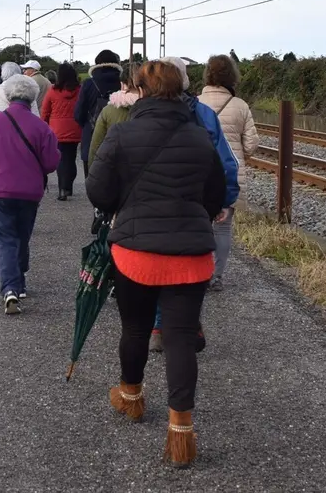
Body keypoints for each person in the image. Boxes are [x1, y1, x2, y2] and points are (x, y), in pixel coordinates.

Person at [85, 60, 225, 468]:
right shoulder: (199, 136)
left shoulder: (123, 133)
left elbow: (97, 190)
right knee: (180, 337)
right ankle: (181, 431)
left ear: (141, 91)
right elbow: (215, 196)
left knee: (135, 328)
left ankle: (131, 396)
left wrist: (124, 207)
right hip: (190, 256)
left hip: (136, 252)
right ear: (180, 90)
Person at [143, 56, 241, 353]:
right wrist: (225, 200)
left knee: (157, 261)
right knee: (191, 264)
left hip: (152, 201)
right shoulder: (204, 114)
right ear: (184, 80)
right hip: (196, 202)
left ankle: (158, 325)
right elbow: (225, 162)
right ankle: (188, 323)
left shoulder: (140, 111)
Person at [0, 75, 60, 314]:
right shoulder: (41, 126)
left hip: (0, 189)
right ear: (32, 97)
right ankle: (19, 281)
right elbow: (51, 163)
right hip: (30, 192)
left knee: (6, 239)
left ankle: (11, 288)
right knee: (22, 235)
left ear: (8, 95)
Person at [198, 54, 259, 289]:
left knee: (200, 222)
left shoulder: (196, 103)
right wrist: (239, 155)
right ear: (232, 76)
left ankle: (199, 272)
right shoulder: (240, 106)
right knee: (223, 227)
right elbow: (252, 143)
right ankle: (216, 276)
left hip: (200, 172)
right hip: (229, 175)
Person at [75, 50, 123, 178]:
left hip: (91, 133)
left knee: (92, 174)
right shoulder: (123, 82)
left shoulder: (89, 83)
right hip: (119, 134)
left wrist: (86, 124)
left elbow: (79, 112)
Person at [40, 63, 82, 200]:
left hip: (57, 131)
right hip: (75, 129)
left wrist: (43, 127)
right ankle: (68, 186)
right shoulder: (79, 90)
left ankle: (62, 189)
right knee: (71, 158)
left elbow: (45, 111)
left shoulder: (52, 91)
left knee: (61, 159)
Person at [87, 63, 140, 164]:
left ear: (122, 84)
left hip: (116, 168)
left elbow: (96, 147)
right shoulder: (157, 108)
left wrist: (92, 171)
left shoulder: (108, 111)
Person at [0, 62, 38, 133]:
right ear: (19, 75)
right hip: (24, 134)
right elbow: (36, 119)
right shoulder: (29, 93)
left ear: (2, 75)